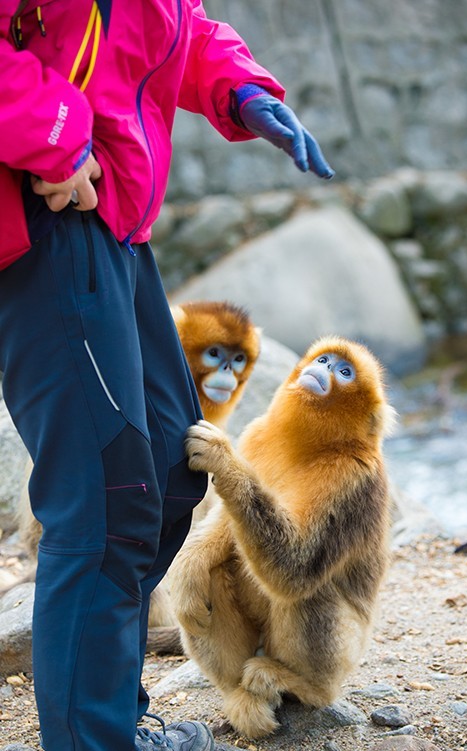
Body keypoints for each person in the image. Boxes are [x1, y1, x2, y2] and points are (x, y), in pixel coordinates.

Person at [0, 2, 334, 751]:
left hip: (113, 219)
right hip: (50, 214)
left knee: (165, 467)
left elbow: (173, 21)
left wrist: (241, 89)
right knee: (102, 504)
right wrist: (57, 137)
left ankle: (108, 718)